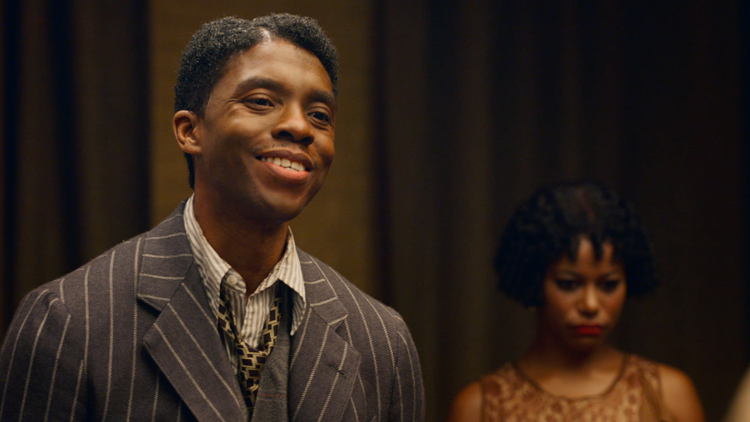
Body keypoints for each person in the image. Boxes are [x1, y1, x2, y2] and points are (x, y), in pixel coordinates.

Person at [0, 14, 424, 422]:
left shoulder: (381, 341)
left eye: (319, 115)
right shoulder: (70, 320)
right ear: (190, 131)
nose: (299, 126)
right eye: (261, 102)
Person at [445, 181, 703, 422]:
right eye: (568, 284)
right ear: (534, 280)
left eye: (608, 285)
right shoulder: (479, 407)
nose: (590, 305)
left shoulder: (667, 394)